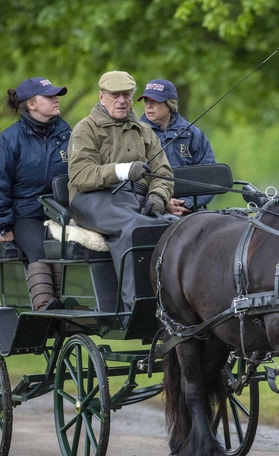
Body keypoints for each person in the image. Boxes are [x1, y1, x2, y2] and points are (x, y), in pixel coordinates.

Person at [67, 70, 174, 312]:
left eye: (126, 95)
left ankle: (173, 303)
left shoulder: (144, 131)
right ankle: (134, 307)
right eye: (115, 95)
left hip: (134, 198)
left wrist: (157, 197)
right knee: (134, 229)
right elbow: (81, 176)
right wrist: (123, 171)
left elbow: (163, 173)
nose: (122, 101)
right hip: (92, 200)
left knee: (171, 226)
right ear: (101, 97)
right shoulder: (86, 129)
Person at [0, 77, 71, 311]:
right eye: (49, 96)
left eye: (56, 95)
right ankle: (45, 308)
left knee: (73, 248)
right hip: (25, 216)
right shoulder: (7, 141)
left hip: (63, 214)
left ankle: (75, 307)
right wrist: (3, 226)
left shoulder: (69, 135)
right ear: (31, 104)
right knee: (40, 249)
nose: (56, 99)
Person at [138, 79, 217, 215]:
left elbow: (209, 177)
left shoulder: (193, 135)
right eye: (146, 101)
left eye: (155, 101)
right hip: (148, 212)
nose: (149, 106)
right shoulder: (135, 134)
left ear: (170, 104)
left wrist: (187, 204)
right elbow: (130, 182)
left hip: (190, 213)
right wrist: (161, 201)